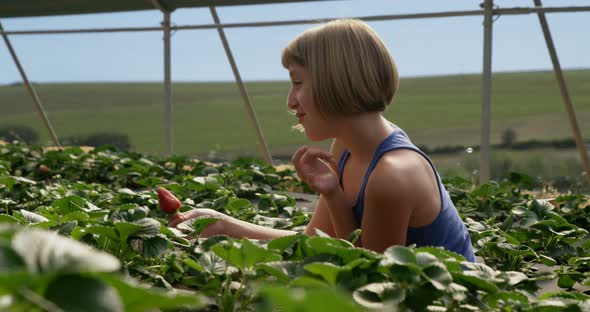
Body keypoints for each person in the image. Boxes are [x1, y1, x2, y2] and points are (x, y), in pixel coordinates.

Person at [169, 19, 475, 262]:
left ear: (335, 81)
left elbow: (370, 276)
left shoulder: (391, 176)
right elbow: (318, 243)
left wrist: (334, 197)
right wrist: (221, 224)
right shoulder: (346, 148)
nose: (291, 101)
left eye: (298, 82)